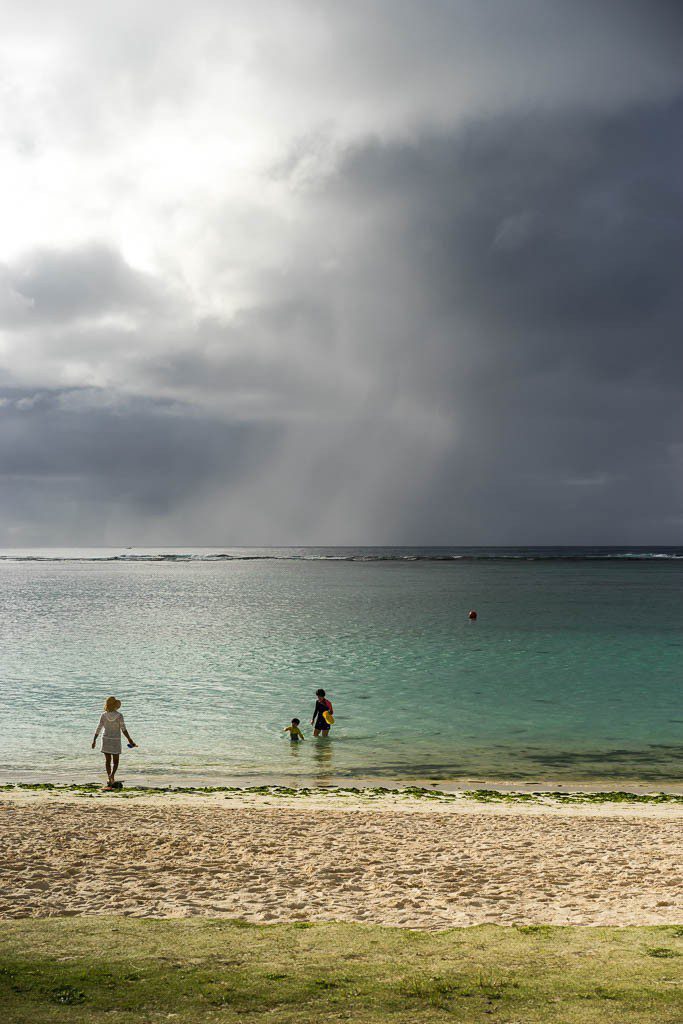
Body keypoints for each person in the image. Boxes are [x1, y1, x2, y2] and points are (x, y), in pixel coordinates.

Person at [92, 696, 136, 788]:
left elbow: (99, 728)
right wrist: (129, 739)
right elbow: (123, 729)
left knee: (108, 761)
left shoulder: (103, 715)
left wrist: (94, 739)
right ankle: (112, 775)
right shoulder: (119, 716)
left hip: (106, 739)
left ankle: (109, 777)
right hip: (115, 740)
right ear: (115, 705)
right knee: (116, 761)